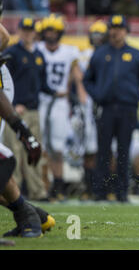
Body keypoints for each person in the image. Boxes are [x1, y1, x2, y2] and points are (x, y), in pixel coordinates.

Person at [83, 15, 139, 202]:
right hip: (106, 108)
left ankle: (121, 192)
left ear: (126, 30)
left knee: (124, 151)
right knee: (103, 151)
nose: (116, 31)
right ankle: (100, 192)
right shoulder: (100, 53)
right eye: (113, 28)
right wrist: (97, 94)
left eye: (120, 28)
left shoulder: (136, 54)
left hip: (128, 108)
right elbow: (87, 79)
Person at [0, 23, 55, 239]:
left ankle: (26, 213)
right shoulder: (17, 51)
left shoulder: (35, 53)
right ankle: (29, 212)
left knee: (3, 161)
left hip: (9, 97)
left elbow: (3, 36)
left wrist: (22, 130)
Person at [37, 14, 86, 201]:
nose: (50, 34)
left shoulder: (69, 52)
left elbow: (77, 75)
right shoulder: (37, 49)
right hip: (41, 100)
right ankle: (41, 185)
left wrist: (80, 95)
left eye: (54, 31)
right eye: (48, 30)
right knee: (39, 145)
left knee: (57, 146)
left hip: (59, 102)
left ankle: (58, 185)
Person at [77, 20, 108, 200]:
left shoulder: (107, 54)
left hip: (104, 104)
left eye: (100, 34)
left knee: (106, 147)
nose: (97, 38)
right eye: (94, 34)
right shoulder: (85, 55)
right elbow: (80, 78)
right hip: (87, 104)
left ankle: (105, 186)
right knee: (88, 147)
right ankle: (88, 186)